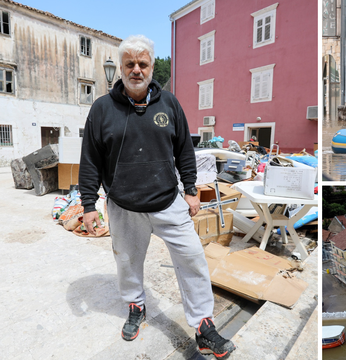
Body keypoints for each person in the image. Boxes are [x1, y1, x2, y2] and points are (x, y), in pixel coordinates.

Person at [78, 35, 235, 359]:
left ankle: (204, 327)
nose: (136, 69)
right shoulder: (102, 109)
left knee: (193, 260)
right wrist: (89, 205)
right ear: (121, 68)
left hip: (168, 202)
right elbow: (90, 159)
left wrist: (190, 190)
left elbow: (184, 152)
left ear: (151, 66)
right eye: (130, 64)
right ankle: (136, 305)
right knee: (127, 263)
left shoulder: (170, 104)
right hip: (124, 207)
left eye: (143, 63)